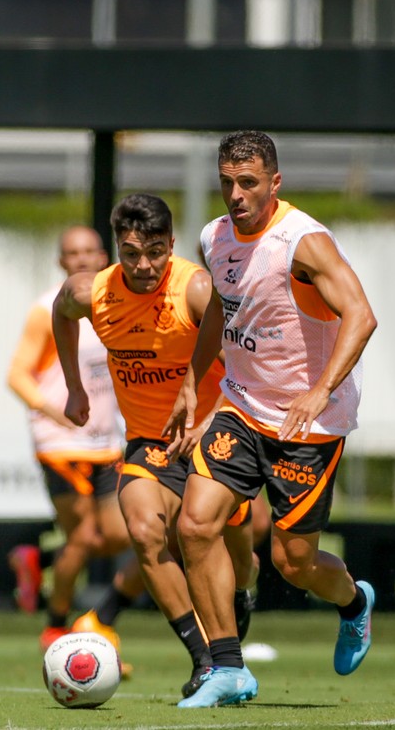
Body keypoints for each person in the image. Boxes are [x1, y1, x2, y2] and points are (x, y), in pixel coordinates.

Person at [164, 130, 379, 708]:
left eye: (248, 183)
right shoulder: (214, 236)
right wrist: (192, 381)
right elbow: (219, 313)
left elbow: (361, 316)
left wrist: (319, 391)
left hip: (309, 426)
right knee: (195, 525)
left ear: (275, 182)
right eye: (226, 182)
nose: (235, 194)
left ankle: (355, 603)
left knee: (293, 563)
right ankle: (227, 668)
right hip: (241, 408)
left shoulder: (302, 243)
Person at [52, 193, 259, 698]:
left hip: (213, 439)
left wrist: (208, 414)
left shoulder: (196, 290)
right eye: (131, 253)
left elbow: (247, 364)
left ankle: (242, 600)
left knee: (241, 554)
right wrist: (75, 387)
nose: (144, 266)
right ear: (115, 251)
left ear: (172, 244)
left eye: (156, 252)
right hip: (147, 442)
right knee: (146, 533)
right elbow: (62, 310)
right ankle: (205, 660)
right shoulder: (92, 292)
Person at [6, 225, 135, 654]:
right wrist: (52, 413)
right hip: (61, 444)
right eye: (71, 253)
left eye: (88, 251)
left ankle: (37, 561)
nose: (81, 259)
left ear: (104, 256)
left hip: (105, 443)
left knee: (118, 536)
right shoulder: (47, 309)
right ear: (61, 262)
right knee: (82, 538)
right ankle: (56, 626)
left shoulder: (121, 305)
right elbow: (17, 375)